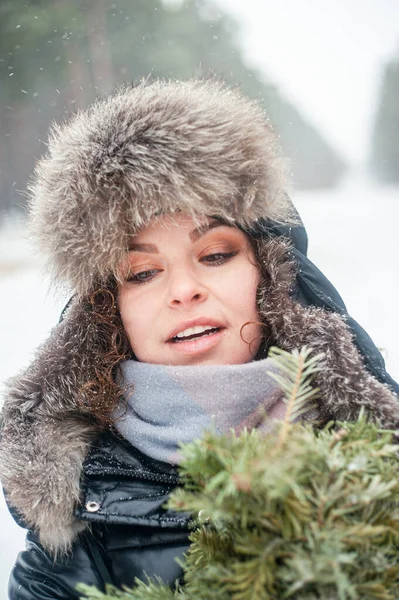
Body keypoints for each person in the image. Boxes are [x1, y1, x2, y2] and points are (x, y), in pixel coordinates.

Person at [0, 79, 398, 600]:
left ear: (272, 277)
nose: (184, 291)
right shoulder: (74, 537)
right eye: (142, 273)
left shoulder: (379, 473)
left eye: (214, 255)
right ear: (107, 312)